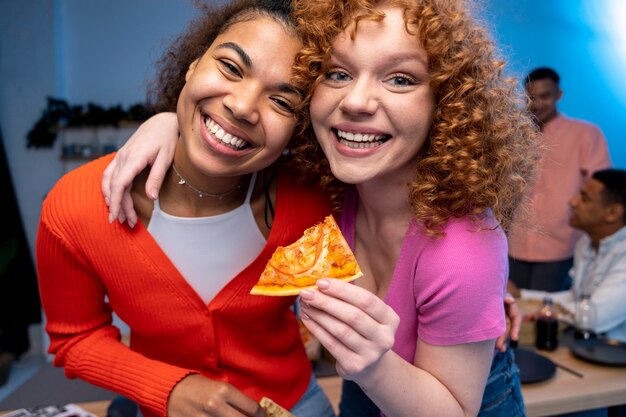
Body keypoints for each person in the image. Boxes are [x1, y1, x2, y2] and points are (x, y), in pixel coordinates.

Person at [102, 1, 536, 416]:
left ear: (447, 104)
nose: (356, 101)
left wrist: (374, 365)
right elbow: (242, 131)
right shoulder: (325, 187)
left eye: (400, 79)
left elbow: (455, 410)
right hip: (365, 390)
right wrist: (167, 124)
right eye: (338, 73)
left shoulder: (463, 248)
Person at [35, 1, 337, 417]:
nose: (244, 106)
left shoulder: (309, 204)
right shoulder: (76, 207)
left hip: (291, 403)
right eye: (231, 67)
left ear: (300, 128)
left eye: (283, 102)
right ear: (193, 66)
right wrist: (168, 388)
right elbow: (75, 340)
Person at [508, 67, 612, 292]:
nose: (537, 104)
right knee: (511, 311)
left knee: (547, 314)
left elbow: (598, 191)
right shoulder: (513, 134)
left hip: (561, 244)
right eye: (531, 97)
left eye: (545, 96)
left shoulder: (585, 134)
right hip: (513, 244)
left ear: (559, 95)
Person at [509, 168, 626, 343]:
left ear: (612, 213)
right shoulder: (585, 243)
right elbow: (576, 297)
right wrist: (521, 295)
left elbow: (592, 317)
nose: (572, 202)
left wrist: (539, 313)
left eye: (584, 198)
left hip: (615, 355)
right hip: (587, 346)